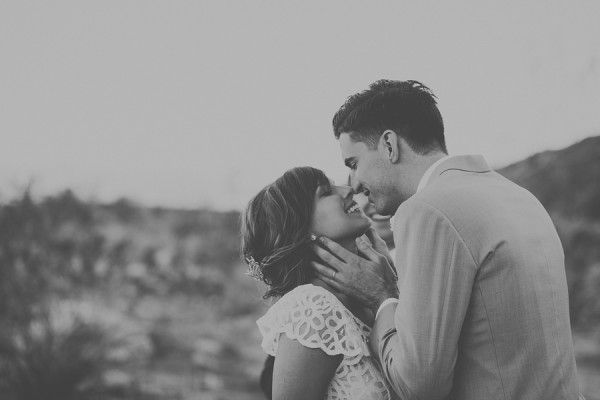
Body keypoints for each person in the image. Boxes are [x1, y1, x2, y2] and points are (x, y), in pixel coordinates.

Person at [312, 80, 583, 399]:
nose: (354, 185)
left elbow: (418, 386)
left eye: (353, 164)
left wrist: (382, 297)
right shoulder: (519, 196)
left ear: (389, 145)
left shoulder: (427, 211)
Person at [241, 166, 398, 400]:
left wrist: (391, 284)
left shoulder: (371, 300)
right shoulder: (313, 308)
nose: (347, 190)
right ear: (300, 230)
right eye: (326, 192)